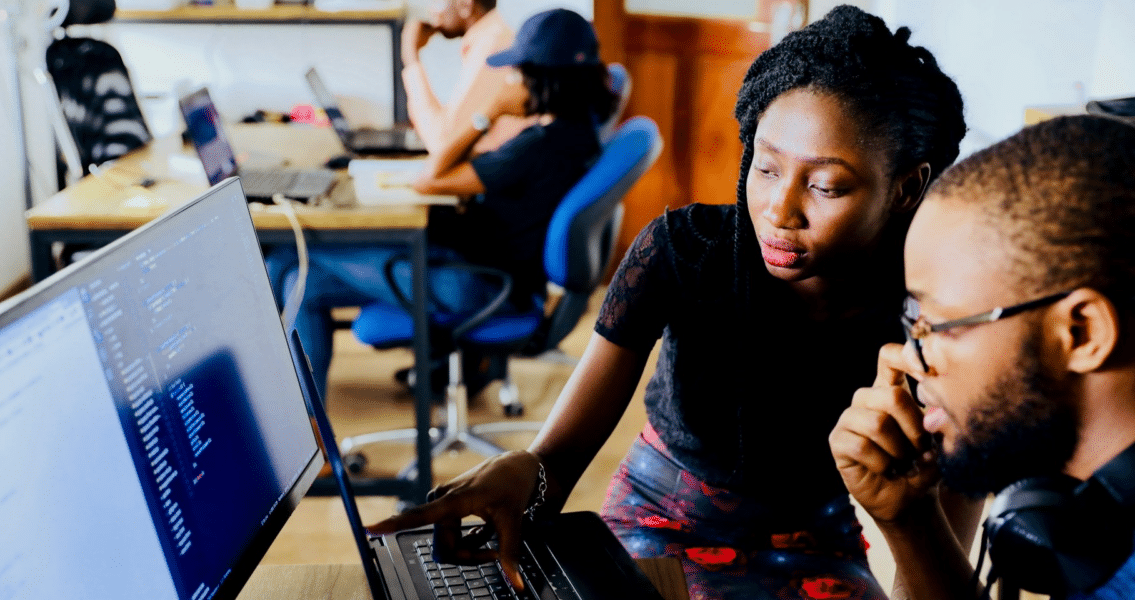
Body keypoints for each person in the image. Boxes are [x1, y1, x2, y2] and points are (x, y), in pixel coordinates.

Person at [368, 6, 972, 599]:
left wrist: (907, 517)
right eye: (764, 169)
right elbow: (555, 462)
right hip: (657, 520)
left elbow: (936, 579)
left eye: (825, 186)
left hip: (816, 543)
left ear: (907, 187)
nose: (779, 213)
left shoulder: (943, 326)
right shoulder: (685, 253)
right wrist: (527, 472)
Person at [829, 115, 1135, 600]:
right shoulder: (1084, 516)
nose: (908, 357)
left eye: (939, 325)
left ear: (1081, 333)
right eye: (913, 321)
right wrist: (910, 521)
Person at [266, 8, 617, 398]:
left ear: (543, 78)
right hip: (491, 273)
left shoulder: (538, 147)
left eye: (518, 71)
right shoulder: (579, 134)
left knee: (293, 265)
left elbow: (430, 177)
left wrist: (488, 112)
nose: (510, 79)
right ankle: (308, 426)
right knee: (295, 272)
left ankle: (303, 426)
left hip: (476, 285)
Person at [401, 0, 529, 155]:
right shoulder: (492, 38)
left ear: (465, 4)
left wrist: (411, 58)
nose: (431, 10)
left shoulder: (491, 48)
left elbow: (442, 144)